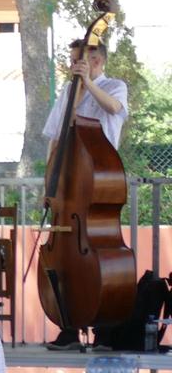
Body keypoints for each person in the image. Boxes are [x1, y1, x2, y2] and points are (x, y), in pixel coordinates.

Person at [41, 40, 129, 348]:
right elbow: (55, 137)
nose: (77, 65)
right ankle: (69, 324)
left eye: (85, 60)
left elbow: (114, 109)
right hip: (69, 184)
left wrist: (89, 84)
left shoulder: (115, 86)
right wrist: (49, 183)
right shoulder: (67, 92)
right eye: (74, 60)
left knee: (101, 254)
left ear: (99, 61)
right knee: (65, 256)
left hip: (99, 179)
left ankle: (104, 324)